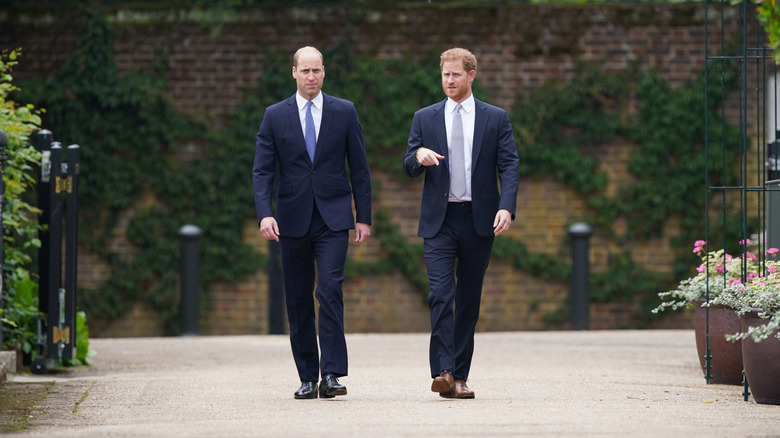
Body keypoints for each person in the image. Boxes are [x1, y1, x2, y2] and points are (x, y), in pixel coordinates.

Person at [253, 46, 372, 400]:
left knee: (330, 290)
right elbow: (262, 170)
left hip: (334, 218)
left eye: (316, 70)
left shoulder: (344, 111)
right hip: (290, 219)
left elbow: (360, 168)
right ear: (293, 72)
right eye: (305, 71)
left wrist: (363, 216)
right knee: (298, 297)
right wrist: (264, 213)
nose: (311, 77)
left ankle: (332, 373)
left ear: (324, 72)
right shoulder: (274, 116)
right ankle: (307, 375)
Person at [403, 47, 520, 399]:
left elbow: (510, 166)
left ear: (471, 75)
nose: (449, 81)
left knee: (468, 299)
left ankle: (461, 376)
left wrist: (507, 207)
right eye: (444, 75)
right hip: (439, 220)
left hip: (478, 219)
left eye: (455, 74)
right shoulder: (424, 118)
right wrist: (418, 157)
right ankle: (443, 372)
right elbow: (408, 164)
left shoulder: (495, 118)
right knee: (440, 294)